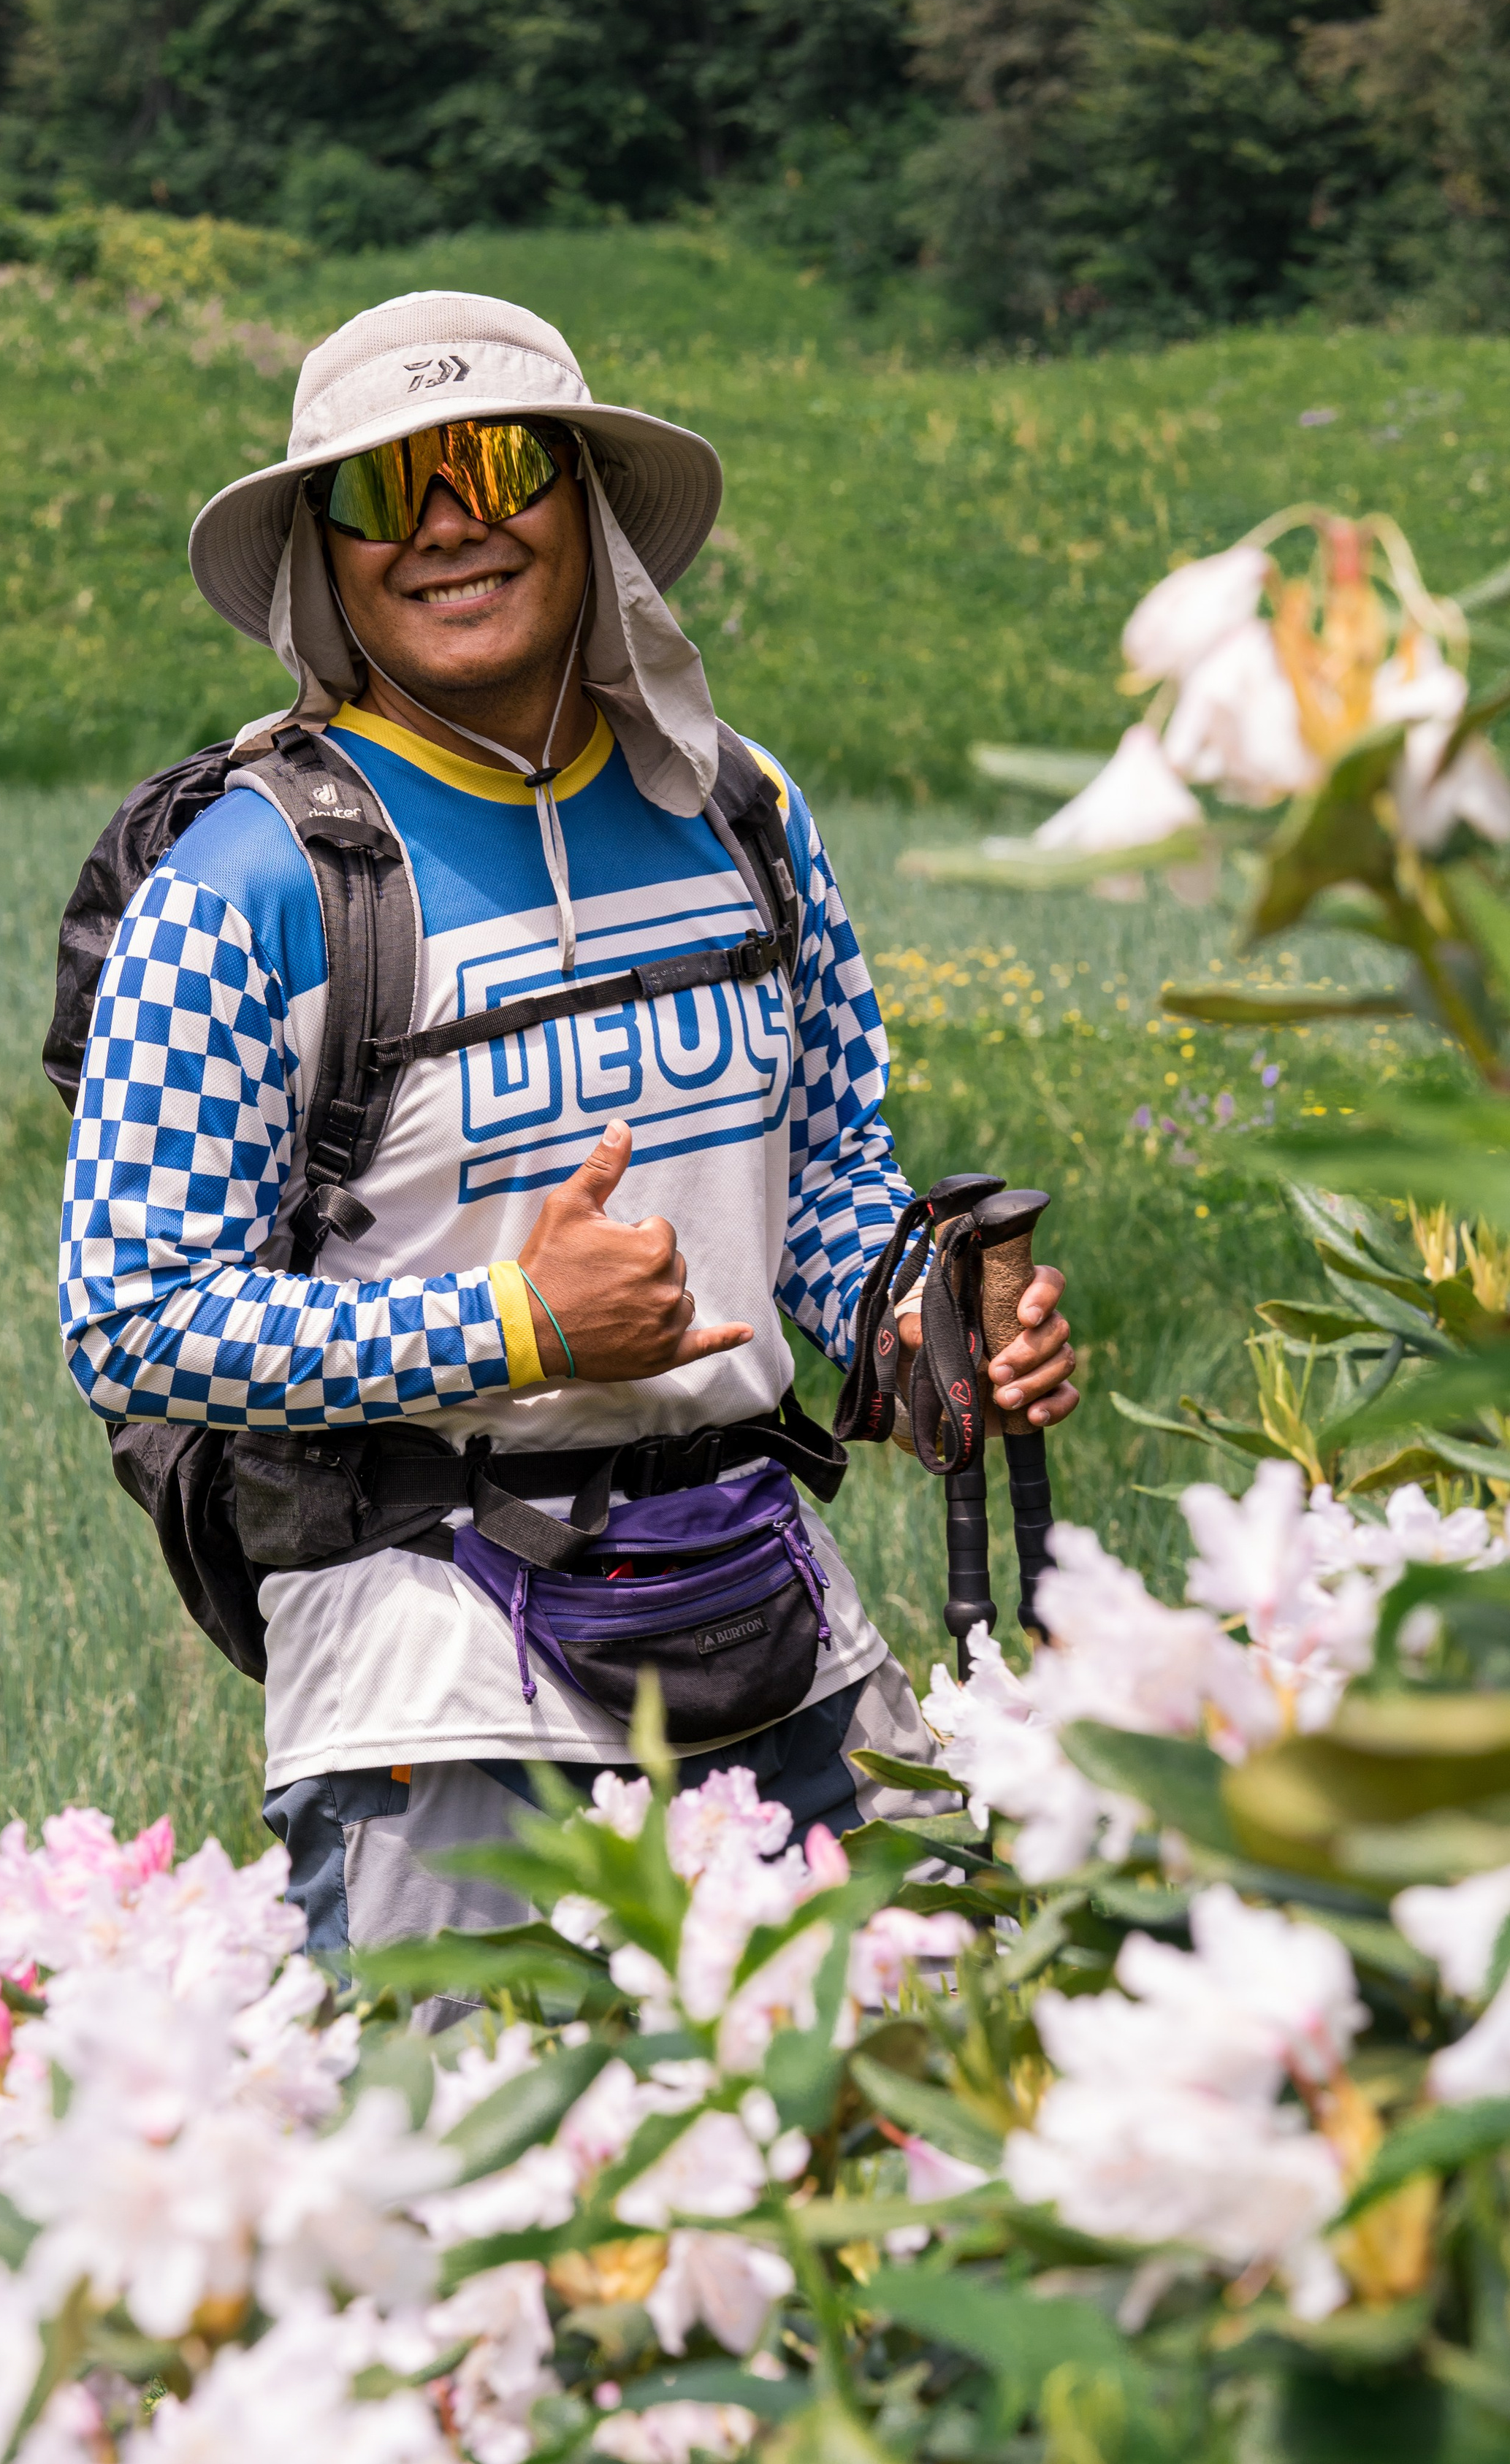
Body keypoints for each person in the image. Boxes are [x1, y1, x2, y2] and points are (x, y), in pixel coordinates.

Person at [56, 291, 1077, 1992]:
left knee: (926, 2095)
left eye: (495, 464)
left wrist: (919, 1321)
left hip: (768, 1611)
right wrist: (517, 1330)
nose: (446, 523)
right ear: (321, 554)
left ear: (581, 501)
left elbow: (822, 1173)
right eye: (384, 489)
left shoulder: (737, 810)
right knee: (482, 2167)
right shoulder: (242, 887)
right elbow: (132, 1317)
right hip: (427, 1680)